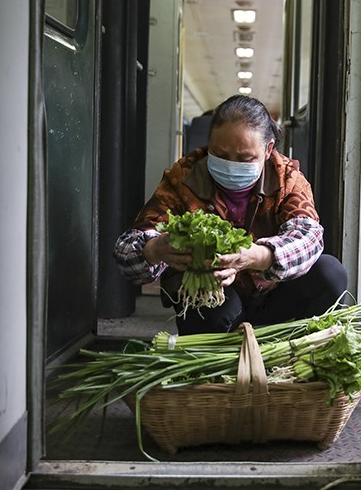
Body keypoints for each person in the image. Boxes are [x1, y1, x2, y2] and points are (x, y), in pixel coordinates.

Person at [114, 94, 347, 335]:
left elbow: (308, 238)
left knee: (329, 273)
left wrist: (258, 255)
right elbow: (125, 250)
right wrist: (154, 249)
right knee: (208, 310)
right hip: (213, 297)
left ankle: (297, 346)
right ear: (208, 144)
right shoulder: (184, 178)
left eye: (245, 158)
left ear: (268, 150)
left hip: (275, 293)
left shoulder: (287, 179)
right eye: (221, 155)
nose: (231, 164)